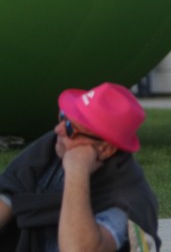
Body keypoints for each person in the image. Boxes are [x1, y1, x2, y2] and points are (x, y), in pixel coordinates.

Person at [0, 82, 160, 252]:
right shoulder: (53, 146)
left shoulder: (128, 196)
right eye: (63, 116)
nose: (58, 129)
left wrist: (77, 171)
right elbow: (10, 189)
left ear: (105, 149)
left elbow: (77, 249)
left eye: (70, 128)